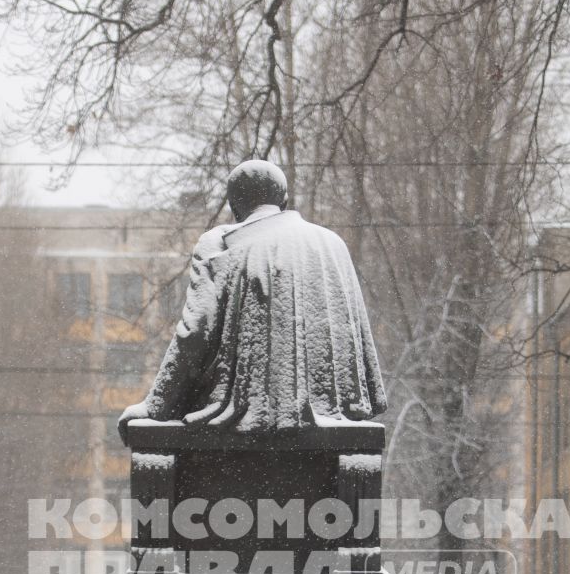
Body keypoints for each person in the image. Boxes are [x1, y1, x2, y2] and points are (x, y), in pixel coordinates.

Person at [121, 159, 386, 434]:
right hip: (332, 424)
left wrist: (158, 406)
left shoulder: (223, 250)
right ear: (283, 200)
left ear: (235, 206)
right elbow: (355, 330)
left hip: (247, 429)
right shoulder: (333, 245)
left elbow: (197, 331)